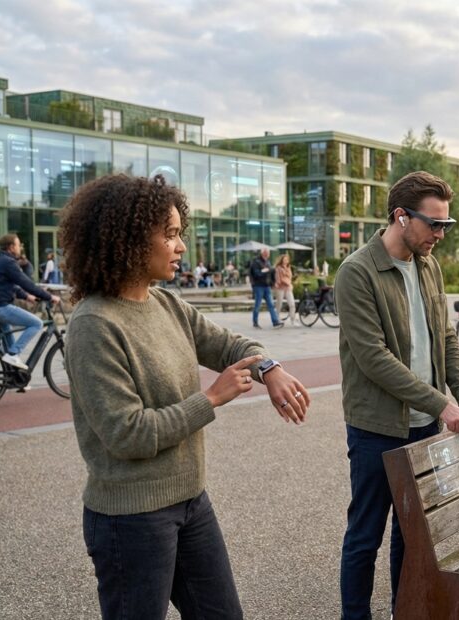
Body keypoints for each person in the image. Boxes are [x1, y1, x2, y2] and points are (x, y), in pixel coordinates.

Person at [59, 174, 311, 620]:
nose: (180, 247)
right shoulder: (93, 324)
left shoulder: (167, 304)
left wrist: (269, 368)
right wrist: (211, 398)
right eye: (170, 234)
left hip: (190, 501)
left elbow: (233, 345)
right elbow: (126, 433)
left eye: (180, 233)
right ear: (131, 238)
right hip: (131, 518)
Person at [336, 171, 459, 619]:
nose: (440, 234)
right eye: (433, 224)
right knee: (366, 532)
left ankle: (406, 609)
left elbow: (444, 336)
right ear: (401, 217)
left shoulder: (428, 265)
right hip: (377, 427)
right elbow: (374, 359)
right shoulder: (357, 272)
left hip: (424, 423)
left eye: (446, 225)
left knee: (412, 532)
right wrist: (443, 403)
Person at [0, 233, 60, 369]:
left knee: (8, 341)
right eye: (19, 245)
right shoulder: (9, 262)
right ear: (11, 247)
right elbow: (26, 283)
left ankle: (15, 377)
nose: (20, 248)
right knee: (36, 323)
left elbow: (7, 284)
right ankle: (13, 355)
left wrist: (26, 296)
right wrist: (49, 297)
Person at [249, 247, 283, 329]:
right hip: (258, 286)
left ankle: (275, 322)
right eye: (266, 253)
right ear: (262, 253)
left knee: (271, 304)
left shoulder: (267, 262)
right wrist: (264, 271)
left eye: (268, 253)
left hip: (267, 286)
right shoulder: (256, 262)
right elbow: (257, 274)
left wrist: (273, 282)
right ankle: (255, 322)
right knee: (258, 304)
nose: (267, 254)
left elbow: (270, 272)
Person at [273, 253, 297, 326]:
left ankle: (293, 320)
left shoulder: (289, 268)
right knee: (279, 304)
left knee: (292, 304)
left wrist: (290, 284)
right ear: (282, 260)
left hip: (288, 288)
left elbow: (290, 278)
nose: (286, 261)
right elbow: (278, 278)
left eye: (287, 259)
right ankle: (276, 319)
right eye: (284, 259)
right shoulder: (278, 268)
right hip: (280, 288)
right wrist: (279, 283)